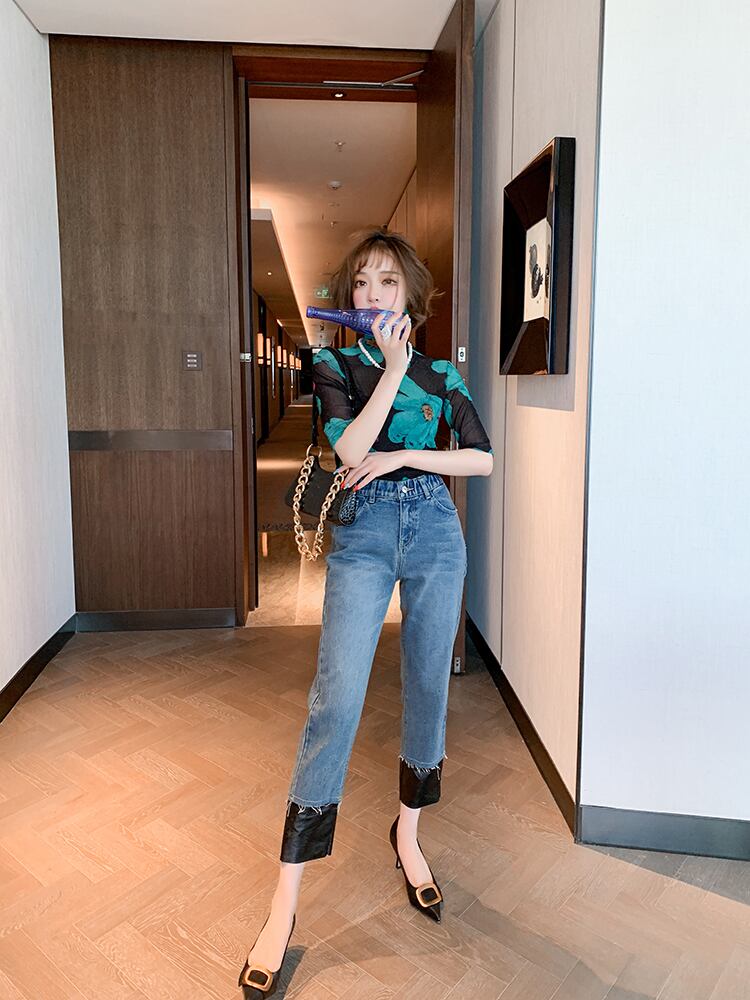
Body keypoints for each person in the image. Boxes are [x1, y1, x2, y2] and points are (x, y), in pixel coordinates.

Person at [239, 227, 493, 997]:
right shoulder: (334, 364)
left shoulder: (445, 374)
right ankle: (284, 903)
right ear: (351, 296)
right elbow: (349, 453)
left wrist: (410, 455)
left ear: (410, 292)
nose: (374, 293)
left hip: (436, 529)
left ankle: (408, 837)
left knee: (428, 687)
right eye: (362, 282)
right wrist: (392, 368)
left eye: (387, 281)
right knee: (337, 698)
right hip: (366, 532)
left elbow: (480, 457)